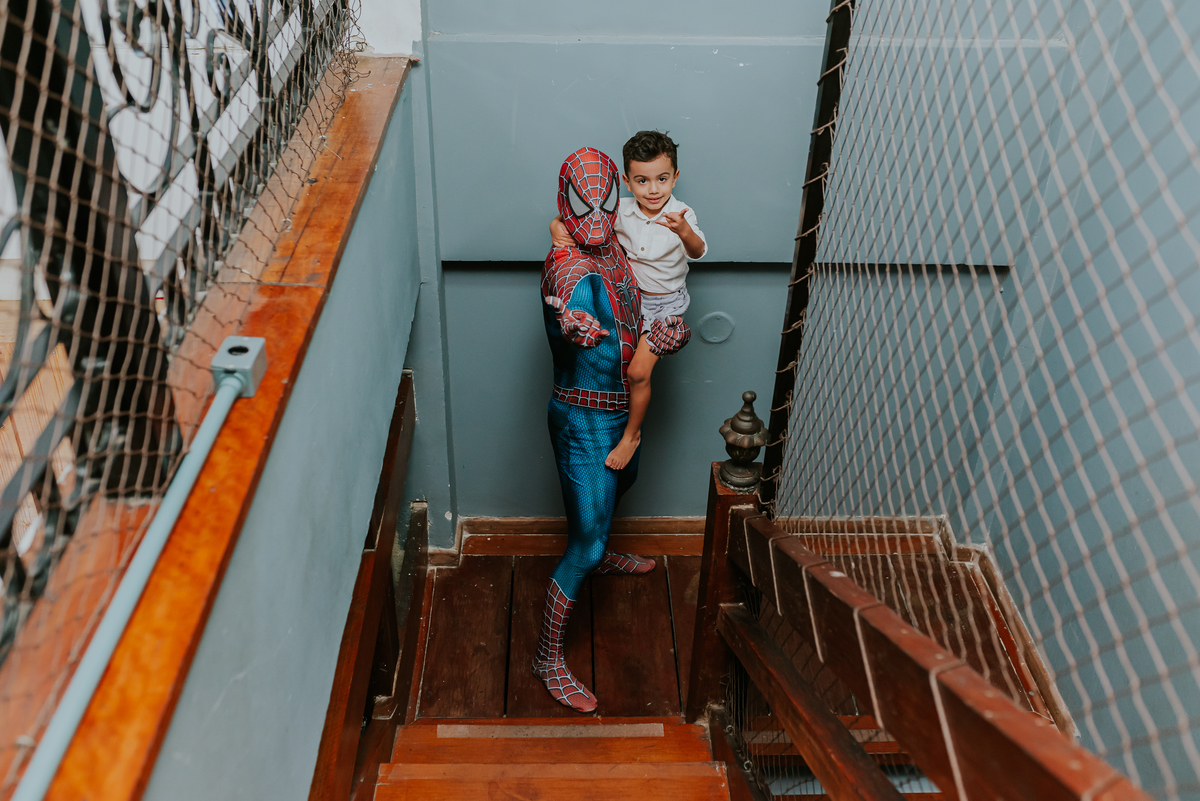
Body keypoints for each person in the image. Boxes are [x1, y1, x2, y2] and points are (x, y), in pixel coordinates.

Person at [535, 146, 690, 713]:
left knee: (625, 483)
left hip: (623, 407)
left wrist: (668, 339)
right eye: (584, 206)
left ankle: (601, 554)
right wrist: (569, 321)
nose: (597, 218)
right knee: (587, 540)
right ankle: (546, 656)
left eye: (605, 202)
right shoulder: (568, 266)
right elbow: (563, 299)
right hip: (583, 416)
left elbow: (650, 291)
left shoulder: (613, 240)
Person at [551, 130, 707, 470]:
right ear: (626, 181)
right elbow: (572, 218)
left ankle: (631, 435)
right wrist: (554, 227)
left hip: (666, 307)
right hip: (628, 300)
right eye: (642, 181)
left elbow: (697, 251)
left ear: (675, 177)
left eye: (662, 179)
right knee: (614, 367)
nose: (653, 190)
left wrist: (683, 231)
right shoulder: (618, 210)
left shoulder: (682, 214)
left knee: (637, 372)